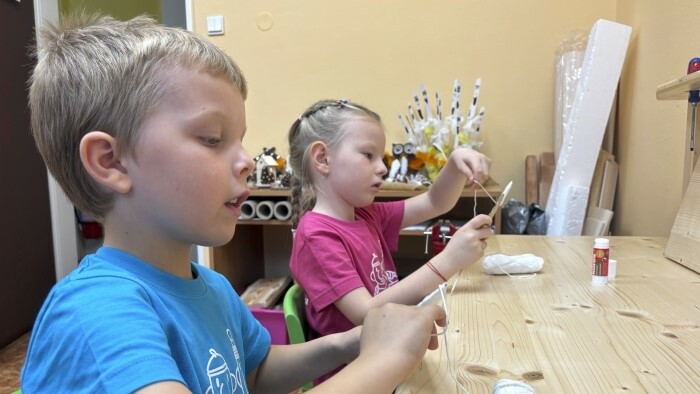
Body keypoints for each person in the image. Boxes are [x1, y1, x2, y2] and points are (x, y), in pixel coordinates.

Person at [21, 13, 447, 393]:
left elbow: (256, 373)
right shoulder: (97, 314)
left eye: (240, 140)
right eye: (212, 139)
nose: (246, 161)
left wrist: (358, 339)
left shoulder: (212, 289)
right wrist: (383, 361)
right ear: (112, 162)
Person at [287, 99, 493, 379]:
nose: (383, 167)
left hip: (388, 350)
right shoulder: (316, 235)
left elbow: (435, 201)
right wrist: (448, 260)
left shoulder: (367, 214)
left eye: (381, 157)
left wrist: (456, 162)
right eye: (368, 155)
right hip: (356, 375)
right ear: (323, 159)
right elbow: (366, 314)